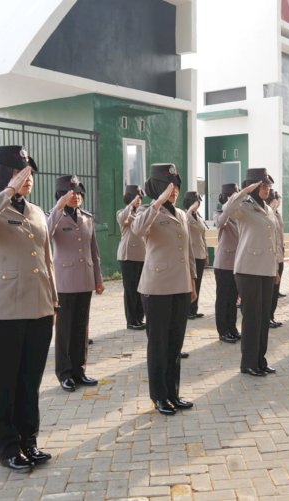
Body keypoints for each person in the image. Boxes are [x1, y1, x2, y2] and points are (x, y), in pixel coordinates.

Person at [0, 145, 55, 472]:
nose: (27, 178)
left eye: (29, 172)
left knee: (29, 381)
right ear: (4, 174)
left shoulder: (36, 211)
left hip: (39, 307)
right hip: (2, 311)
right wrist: (7, 192)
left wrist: (53, 301)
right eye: (20, 172)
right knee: (6, 382)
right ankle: (7, 448)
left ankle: (28, 440)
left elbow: (45, 260)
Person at [131, 163, 197, 415]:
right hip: (156, 288)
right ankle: (159, 396)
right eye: (169, 186)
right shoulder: (149, 212)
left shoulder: (181, 214)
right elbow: (137, 230)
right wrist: (157, 202)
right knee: (158, 344)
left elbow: (188, 251)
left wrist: (191, 281)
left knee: (175, 344)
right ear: (158, 188)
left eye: (177, 186)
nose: (174, 190)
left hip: (180, 286)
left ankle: (173, 392)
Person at [48, 175, 104, 393]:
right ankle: (64, 373)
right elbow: (45, 233)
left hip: (85, 279)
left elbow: (94, 252)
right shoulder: (54, 217)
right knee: (64, 330)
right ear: (62, 195)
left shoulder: (87, 218)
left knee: (81, 327)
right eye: (71, 193)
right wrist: (58, 208)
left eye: (79, 193)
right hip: (64, 282)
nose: (76, 197)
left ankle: (79, 370)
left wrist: (98, 279)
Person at [224, 168, 280, 376]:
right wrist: (244, 191)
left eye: (267, 186)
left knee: (264, 316)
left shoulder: (268, 209)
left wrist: (274, 269)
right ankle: (248, 363)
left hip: (266, 269)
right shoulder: (244, 207)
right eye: (262, 185)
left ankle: (260, 360)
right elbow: (227, 209)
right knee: (252, 317)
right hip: (248, 270)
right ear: (254, 187)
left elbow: (273, 241)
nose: (266, 189)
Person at [213, 184, 241, 344]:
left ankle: (232, 328)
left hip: (237, 263)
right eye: (233, 196)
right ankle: (223, 331)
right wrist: (229, 206)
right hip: (223, 264)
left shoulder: (239, 215)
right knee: (223, 298)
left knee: (233, 298)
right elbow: (220, 223)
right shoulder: (219, 213)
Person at [117, 185, 147, 330]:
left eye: (140, 198)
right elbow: (123, 218)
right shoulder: (123, 213)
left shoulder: (142, 213)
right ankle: (131, 320)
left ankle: (140, 318)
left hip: (143, 256)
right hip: (128, 256)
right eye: (136, 198)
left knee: (141, 289)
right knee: (130, 289)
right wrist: (131, 205)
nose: (139, 200)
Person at [184, 191, 209, 320]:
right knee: (190, 283)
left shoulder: (198, 216)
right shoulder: (185, 215)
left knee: (198, 283)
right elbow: (185, 223)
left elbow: (203, 236)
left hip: (200, 254)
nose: (198, 205)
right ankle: (188, 309)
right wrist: (190, 210)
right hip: (190, 254)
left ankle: (194, 309)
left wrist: (206, 255)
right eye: (196, 202)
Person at [267, 190, 285, 328]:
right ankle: (267, 316)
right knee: (270, 290)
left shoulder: (277, 214)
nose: (277, 201)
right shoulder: (268, 213)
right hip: (272, 256)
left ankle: (271, 315)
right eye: (275, 199)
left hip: (279, 255)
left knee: (275, 289)